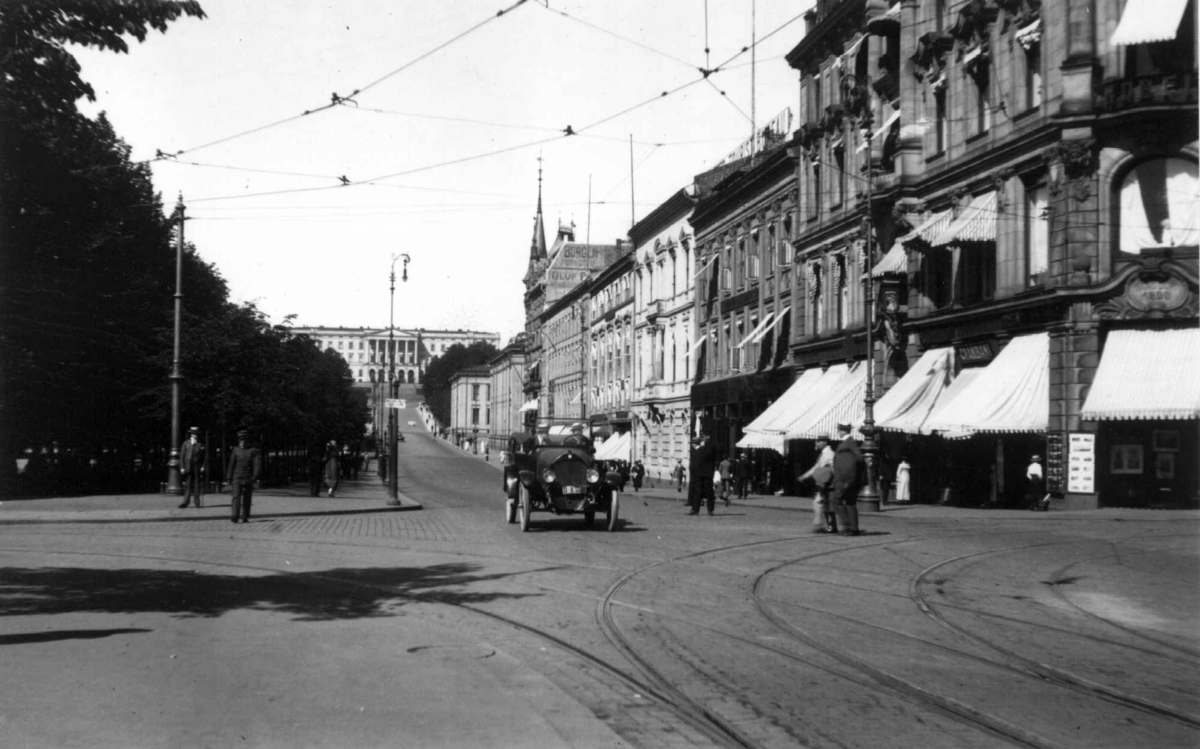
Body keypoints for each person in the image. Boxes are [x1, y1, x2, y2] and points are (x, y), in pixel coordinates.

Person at [830, 422, 865, 536]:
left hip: (845, 478)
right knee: (850, 502)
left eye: (839, 430)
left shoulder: (848, 442)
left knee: (836, 501)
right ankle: (854, 529)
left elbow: (859, 457)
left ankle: (847, 525)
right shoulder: (847, 442)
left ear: (842, 430)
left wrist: (848, 472)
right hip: (847, 477)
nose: (838, 432)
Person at [798, 434, 837, 533]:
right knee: (826, 505)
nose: (817, 443)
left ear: (825, 442)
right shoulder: (824, 453)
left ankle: (820, 525)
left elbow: (828, 469)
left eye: (819, 441)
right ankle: (830, 526)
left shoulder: (828, 454)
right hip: (826, 482)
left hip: (828, 483)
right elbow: (816, 467)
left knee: (820, 503)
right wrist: (804, 476)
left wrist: (804, 476)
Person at [226, 429, 261, 523]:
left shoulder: (253, 451)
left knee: (247, 498)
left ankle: (245, 515)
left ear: (247, 441)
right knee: (236, 496)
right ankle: (235, 515)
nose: (242, 442)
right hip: (237, 477)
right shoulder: (235, 450)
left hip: (248, 478)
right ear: (239, 441)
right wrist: (229, 477)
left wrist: (254, 477)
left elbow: (256, 465)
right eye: (241, 440)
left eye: (244, 440)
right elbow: (231, 465)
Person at [687, 432, 718, 515]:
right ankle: (695, 509)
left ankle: (710, 510)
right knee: (697, 492)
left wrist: (704, 444)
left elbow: (708, 453)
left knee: (709, 493)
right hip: (698, 474)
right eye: (702, 438)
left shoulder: (710, 447)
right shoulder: (697, 449)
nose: (703, 439)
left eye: (705, 437)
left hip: (707, 474)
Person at [178, 426, 206, 508]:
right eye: (193, 434)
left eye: (196, 434)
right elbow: (182, 456)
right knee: (187, 484)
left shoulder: (201, 444)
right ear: (191, 434)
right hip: (188, 466)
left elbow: (204, 457)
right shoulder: (186, 443)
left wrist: (203, 466)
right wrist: (182, 467)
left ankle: (197, 502)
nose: (195, 435)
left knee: (197, 484)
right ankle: (185, 501)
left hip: (197, 466)